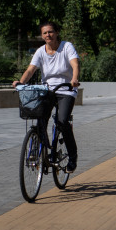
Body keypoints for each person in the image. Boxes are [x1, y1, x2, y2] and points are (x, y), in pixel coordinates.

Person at [14, 22, 80, 173]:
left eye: (50, 32)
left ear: (57, 32)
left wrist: (74, 79)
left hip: (66, 89)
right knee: (40, 119)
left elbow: (75, 64)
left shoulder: (66, 46)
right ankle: (36, 151)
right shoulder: (40, 51)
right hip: (47, 90)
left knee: (62, 121)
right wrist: (21, 82)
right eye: (44, 33)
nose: (47, 35)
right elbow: (31, 69)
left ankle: (72, 157)